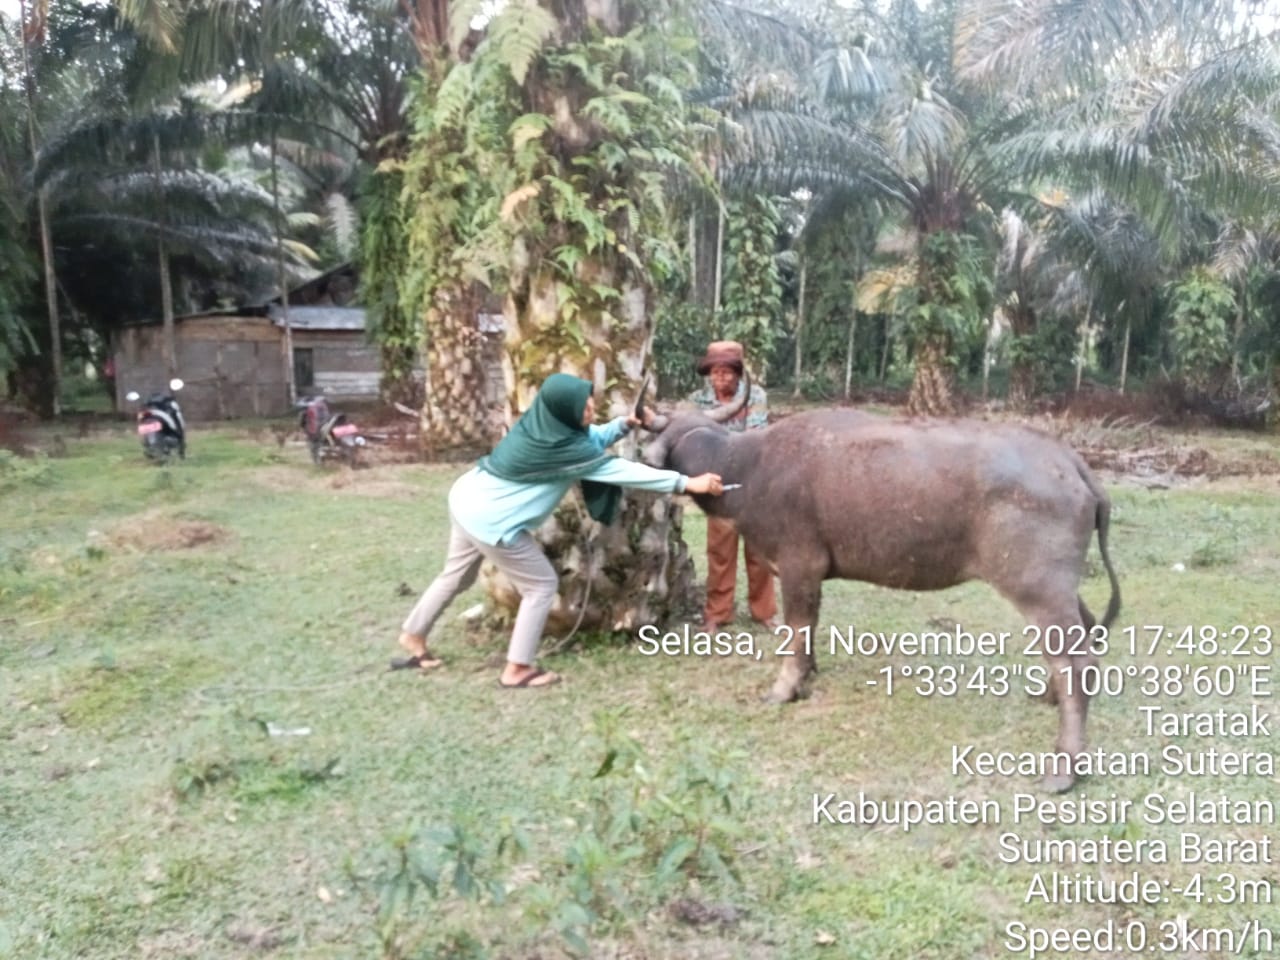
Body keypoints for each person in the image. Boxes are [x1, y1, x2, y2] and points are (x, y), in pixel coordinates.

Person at [393, 372, 725, 688]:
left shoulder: (541, 426)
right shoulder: (564, 448)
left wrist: (621, 426)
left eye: (591, 402)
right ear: (564, 409)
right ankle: (517, 669)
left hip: (466, 500)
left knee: (456, 577)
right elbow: (620, 470)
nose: (591, 409)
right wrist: (687, 482)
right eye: (585, 406)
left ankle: (413, 635)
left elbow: (588, 439)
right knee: (540, 586)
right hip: (491, 521)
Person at [687, 340, 778, 632]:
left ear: (738, 373)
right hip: (717, 486)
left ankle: (764, 613)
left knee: (759, 552)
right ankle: (717, 614)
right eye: (714, 372)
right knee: (720, 552)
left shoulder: (756, 395)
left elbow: (755, 436)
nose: (720, 378)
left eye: (726, 372)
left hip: (753, 483)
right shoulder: (698, 400)